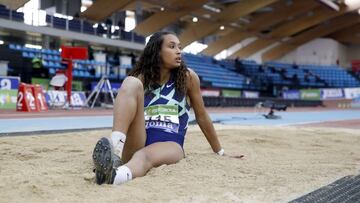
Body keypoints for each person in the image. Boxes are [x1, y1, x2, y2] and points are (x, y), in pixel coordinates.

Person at [92, 31, 224, 185]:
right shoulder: (142, 78)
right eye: (172, 46)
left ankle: (114, 177)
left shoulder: (188, 78)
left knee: (143, 156)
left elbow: (201, 116)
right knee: (130, 82)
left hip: (170, 144)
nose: (178, 51)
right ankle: (115, 151)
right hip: (139, 139)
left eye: (179, 47)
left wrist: (219, 151)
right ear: (157, 51)